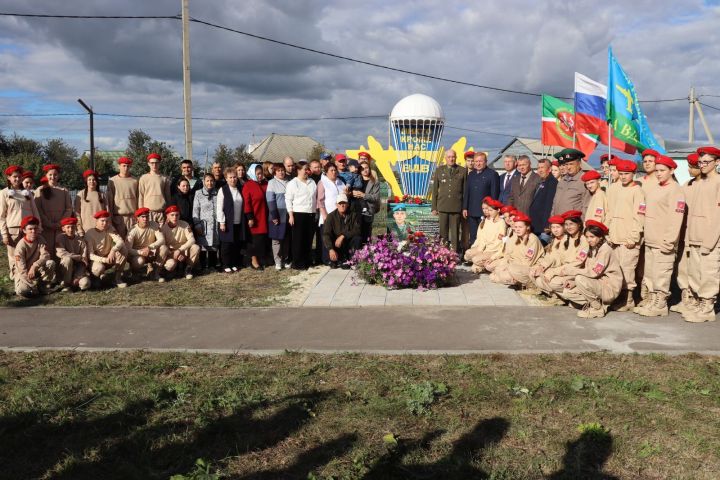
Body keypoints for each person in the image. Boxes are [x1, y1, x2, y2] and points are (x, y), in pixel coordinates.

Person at [633, 155, 684, 317]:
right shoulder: (656, 188)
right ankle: (651, 300)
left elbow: (676, 218)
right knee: (650, 274)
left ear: (672, 170)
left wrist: (669, 240)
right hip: (651, 239)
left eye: (662, 171)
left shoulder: (675, 190)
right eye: (657, 171)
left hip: (663, 241)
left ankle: (660, 304)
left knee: (661, 274)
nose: (659, 174)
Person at [682, 146, 720, 323]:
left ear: (717, 162)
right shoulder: (696, 184)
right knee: (695, 273)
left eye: (707, 162)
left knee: (709, 273)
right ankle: (698, 303)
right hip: (694, 235)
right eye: (700, 162)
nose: (703, 165)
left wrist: (710, 241)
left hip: (710, 239)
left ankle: (707, 308)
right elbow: (691, 213)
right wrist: (689, 238)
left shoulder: (718, 182)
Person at [558, 220, 622, 318]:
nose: (589, 240)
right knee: (567, 291)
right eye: (587, 237)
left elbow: (594, 273)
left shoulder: (605, 250)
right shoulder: (592, 247)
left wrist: (573, 272)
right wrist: (573, 282)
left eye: (592, 237)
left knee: (579, 278)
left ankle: (597, 308)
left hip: (608, 287)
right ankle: (593, 303)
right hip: (597, 283)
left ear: (600, 236)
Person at [605, 159, 645, 311]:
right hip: (614, 237)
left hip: (628, 239)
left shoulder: (637, 191)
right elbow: (609, 213)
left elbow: (639, 216)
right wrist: (607, 233)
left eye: (626, 174)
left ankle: (628, 299)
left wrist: (633, 238)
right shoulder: (614, 188)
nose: (623, 177)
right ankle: (618, 296)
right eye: (621, 174)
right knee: (616, 269)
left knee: (627, 269)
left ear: (633, 174)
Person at [531, 212, 589, 305]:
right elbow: (557, 256)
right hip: (563, 269)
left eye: (571, 224)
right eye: (566, 224)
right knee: (537, 276)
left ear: (579, 224)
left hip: (576, 272)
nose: (569, 227)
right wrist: (543, 266)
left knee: (552, 282)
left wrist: (554, 272)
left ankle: (576, 298)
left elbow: (578, 263)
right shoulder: (567, 238)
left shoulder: (584, 240)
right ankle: (558, 297)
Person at [670, 153, 701, 314]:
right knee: (683, 268)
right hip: (684, 233)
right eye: (688, 166)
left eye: (691, 167)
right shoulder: (686, 185)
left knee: (697, 270)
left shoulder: (707, 185)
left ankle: (697, 300)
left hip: (699, 234)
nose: (689, 169)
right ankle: (685, 298)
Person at [1, 165, 42, 279]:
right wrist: (4, 234)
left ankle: (28, 275)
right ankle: (16, 277)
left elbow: (35, 212)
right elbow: (2, 216)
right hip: (13, 230)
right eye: (14, 177)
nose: (17, 179)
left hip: (28, 229)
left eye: (19, 177)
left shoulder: (27, 193)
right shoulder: (4, 193)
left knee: (28, 253)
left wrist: (39, 227)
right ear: (9, 178)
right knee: (14, 255)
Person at [487, 212, 544, 289]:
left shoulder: (533, 239)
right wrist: (506, 265)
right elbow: (509, 254)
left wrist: (510, 267)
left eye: (520, 227)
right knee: (493, 275)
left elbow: (527, 262)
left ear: (527, 227)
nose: (517, 229)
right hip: (515, 266)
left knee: (505, 275)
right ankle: (517, 280)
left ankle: (530, 284)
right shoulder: (515, 237)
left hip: (528, 267)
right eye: (516, 227)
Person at [431, 149, 467, 252]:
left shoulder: (462, 171)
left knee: (455, 233)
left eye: (453, 157)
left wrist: (464, 207)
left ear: (456, 158)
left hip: (456, 207)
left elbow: (465, 191)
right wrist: (434, 207)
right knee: (443, 233)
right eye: (449, 157)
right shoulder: (439, 170)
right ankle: (443, 253)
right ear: (445, 158)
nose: (451, 159)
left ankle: (454, 254)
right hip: (442, 206)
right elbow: (435, 191)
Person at [12, 215, 56, 297]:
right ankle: (32, 287)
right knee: (23, 291)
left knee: (51, 263)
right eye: (30, 229)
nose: (33, 231)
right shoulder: (21, 246)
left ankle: (42, 286)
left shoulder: (41, 239)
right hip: (23, 273)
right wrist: (32, 285)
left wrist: (34, 266)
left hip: (35, 269)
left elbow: (46, 256)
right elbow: (21, 269)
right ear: (24, 230)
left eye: (35, 228)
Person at [463, 152, 500, 247]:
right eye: (476, 161)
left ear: (486, 162)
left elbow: (494, 194)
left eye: (480, 161)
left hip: (485, 212)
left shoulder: (492, 174)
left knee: (484, 235)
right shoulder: (471, 174)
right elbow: (467, 192)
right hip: (471, 210)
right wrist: (465, 207)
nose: (478, 163)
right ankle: (472, 256)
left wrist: (491, 210)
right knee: (473, 235)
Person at [34, 163, 73, 255]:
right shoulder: (40, 190)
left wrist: (61, 222)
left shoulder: (64, 190)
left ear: (58, 175)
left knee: (61, 251)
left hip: (60, 227)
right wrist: (48, 223)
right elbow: (38, 209)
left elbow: (69, 208)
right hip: (46, 227)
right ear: (46, 175)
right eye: (50, 174)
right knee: (47, 251)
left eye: (55, 174)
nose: (53, 177)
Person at [529, 215, 568, 305]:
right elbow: (548, 256)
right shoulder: (554, 240)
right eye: (553, 227)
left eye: (558, 227)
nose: (555, 230)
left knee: (542, 278)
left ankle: (558, 297)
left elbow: (559, 259)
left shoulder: (566, 240)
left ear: (564, 227)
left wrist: (544, 267)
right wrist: (540, 266)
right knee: (533, 271)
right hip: (550, 265)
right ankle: (550, 294)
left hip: (559, 268)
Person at [286, 163, 317, 270]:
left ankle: (306, 260)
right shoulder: (293, 183)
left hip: (311, 213)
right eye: (305, 169)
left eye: (308, 169)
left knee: (308, 239)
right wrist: (291, 215)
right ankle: (297, 262)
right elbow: (288, 200)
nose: (307, 171)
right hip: (298, 214)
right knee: (298, 239)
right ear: (298, 170)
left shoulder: (312, 182)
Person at [84, 210, 127, 288]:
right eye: (102, 221)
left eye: (107, 221)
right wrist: (104, 260)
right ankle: (95, 278)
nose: (105, 223)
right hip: (96, 261)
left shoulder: (110, 228)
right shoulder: (89, 233)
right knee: (99, 268)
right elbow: (90, 255)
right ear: (96, 221)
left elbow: (120, 241)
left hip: (109, 257)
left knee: (123, 250)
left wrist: (113, 250)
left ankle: (117, 278)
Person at [463, 197, 506, 273]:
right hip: (484, 248)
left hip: (492, 250)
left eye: (490, 210)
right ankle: (482, 264)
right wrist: (477, 248)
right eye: (485, 209)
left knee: (475, 261)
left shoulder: (501, 223)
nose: (488, 212)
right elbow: (481, 237)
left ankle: (485, 264)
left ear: (498, 210)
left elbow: (499, 242)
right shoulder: (486, 220)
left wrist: (485, 251)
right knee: (467, 254)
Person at [216, 167, 247, 273]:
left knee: (235, 244)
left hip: (238, 221)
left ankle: (234, 263)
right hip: (227, 222)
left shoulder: (240, 189)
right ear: (226, 178)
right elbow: (219, 207)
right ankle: (225, 264)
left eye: (234, 177)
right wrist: (222, 222)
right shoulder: (223, 190)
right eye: (230, 177)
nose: (233, 179)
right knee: (226, 245)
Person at [126, 207, 168, 282]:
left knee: (164, 248)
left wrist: (149, 247)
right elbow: (128, 249)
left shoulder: (154, 224)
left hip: (151, 251)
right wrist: (141, 252)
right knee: (139, 261)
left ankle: (156, 273)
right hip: (138, 254)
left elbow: (162, 240)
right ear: (137, 218)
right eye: (143, 217)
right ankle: (134, 272)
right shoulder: (132, 230)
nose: (145, 219)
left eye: (147, 216)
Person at [317, 162, 347, 263]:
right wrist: (324, 215)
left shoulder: (340, 182)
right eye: (331, 170)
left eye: (335, 170)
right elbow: (320, 200)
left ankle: (338, 258)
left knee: (337, 237)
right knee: (327, 237)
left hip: (340, 216)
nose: (334, 172)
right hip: (328, 215)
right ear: (326, 172)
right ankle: (327, 259)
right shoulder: (322, 182)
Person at [322, 193, 361, 268]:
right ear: (336, 205)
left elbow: (357, 230)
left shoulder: (353, 215)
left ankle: (352, 259)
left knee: (357, 238)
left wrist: (343, 236)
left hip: (347, 241)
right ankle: (333, 259)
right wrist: (330, 249)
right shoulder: (330, 216)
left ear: (348, 204)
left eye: (344, 203)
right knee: (326, 238)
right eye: (340, 203)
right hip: (336, 244)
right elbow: (326, 234)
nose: (342, 205)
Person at [161, 205, 199, 279]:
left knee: (195, 247)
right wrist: (174, 254)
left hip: (183, 250)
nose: (175, 217)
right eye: (172, 215)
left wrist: (180, 250)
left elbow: (192, 240)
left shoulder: (185, 224)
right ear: (167, 216)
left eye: (177, 215)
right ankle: (173, 270)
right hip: (171, 253)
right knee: (170, 265)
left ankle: (188, 269)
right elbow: (163, 246)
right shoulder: (163, 228)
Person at [243, 163, 269, 270]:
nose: (260, 175)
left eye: (261, 173)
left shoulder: (265, 184)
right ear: (253, 173)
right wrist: (250, 217)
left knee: (263, 239)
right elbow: (247, 202)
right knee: (254, 240)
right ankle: (254, 261)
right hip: (254, 217)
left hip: (265, 216)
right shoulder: (248, 185)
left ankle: (262, 258)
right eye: (257, 174)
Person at [55, 217, 90, 292]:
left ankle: (75, 282)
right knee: (67, 259)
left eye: (73, 227)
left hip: (77, 268)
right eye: (68, 227)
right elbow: (61, 253)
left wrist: (77, 276)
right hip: (65, 269)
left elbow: (84, 261)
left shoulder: (80, 240)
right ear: (63, 228)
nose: (70, 230)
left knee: (85, 284)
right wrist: (78, 257)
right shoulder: (60, 238)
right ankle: (66, 284)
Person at [551, 148, 590, 216]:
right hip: (558, 223)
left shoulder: (585, 180)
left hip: (572, 223)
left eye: (571, 164)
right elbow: (555, 203)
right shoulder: (562, 180)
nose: (568, 167)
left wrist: (580, 223)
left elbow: (586, 206)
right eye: (566, 164)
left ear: (579, 163)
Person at [192, 173, 219, 271]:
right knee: (203, 246)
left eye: (211, 180)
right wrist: (197, 224)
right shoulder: (198, 193)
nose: (209, 183)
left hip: (215, 224)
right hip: (203, 224)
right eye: (207, 180)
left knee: (214, 245)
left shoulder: (218, 192)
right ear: (203, 182)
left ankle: (212, 265)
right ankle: (203, 266)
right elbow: (195, 210)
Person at [106, 156, 139, 238]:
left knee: (133, 243)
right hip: (118, 218)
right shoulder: (112, 181)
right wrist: (110, 217)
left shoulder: (135, 181)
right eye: (124, 165)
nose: (126, 168)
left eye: (128, 166)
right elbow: (109, 201)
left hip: (132, 217)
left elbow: (139, 199)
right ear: (119, 166)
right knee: (120, 243)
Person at [267, 163, 291, 270]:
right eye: (278, 170)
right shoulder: (271, 183)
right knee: (276, 239)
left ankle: (285, 259)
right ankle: (277, 261)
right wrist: (274, 216)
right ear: (275, 172)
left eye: (282, 170)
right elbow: (270, 200)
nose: (281, 172)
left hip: (288, 214)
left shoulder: (289, 182)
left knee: (286, 239)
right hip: (276, 214)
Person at [529, 158, 558, 244]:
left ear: (549, 169)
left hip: (543, 227)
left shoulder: (552, 183)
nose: (539, 170)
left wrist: (546, 224)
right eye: (538, 168)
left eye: (542, 167)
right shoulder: (543, 181)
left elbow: (549, 205)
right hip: (536, 224)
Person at [352, 160, 381, 244]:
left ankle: (365, 254)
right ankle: (355, 254)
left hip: (368, 210)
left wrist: (363, 195)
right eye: (362, 168)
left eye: (367, 168)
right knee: (356, 233)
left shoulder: (375, 182)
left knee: (366, 233)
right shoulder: (355, 179)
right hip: (355, 210)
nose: (365, 170)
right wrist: (352, 193)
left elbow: (375, 198)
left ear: (369, 168)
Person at [138, 153, 171, 225]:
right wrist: (140, 213)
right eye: (152, 163)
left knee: (161, 235)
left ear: (159, 164)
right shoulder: (143, 178)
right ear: (148, 164)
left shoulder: (164, 178)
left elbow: (168, 196)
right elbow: (141, 196)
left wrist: (169, 212)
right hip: (148, 214)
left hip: (161, 213)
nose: (154, 165)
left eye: (156, 163)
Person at [74, 169, 108, 237]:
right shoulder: (80, 195)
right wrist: (80, 229)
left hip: (100, 229)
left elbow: (107, 212)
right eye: (89, 179)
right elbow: (77, 213)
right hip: (86, 230)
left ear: (97, 181)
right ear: (86, 181)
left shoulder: (102, 195)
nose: (92, 182)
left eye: (94, 180)